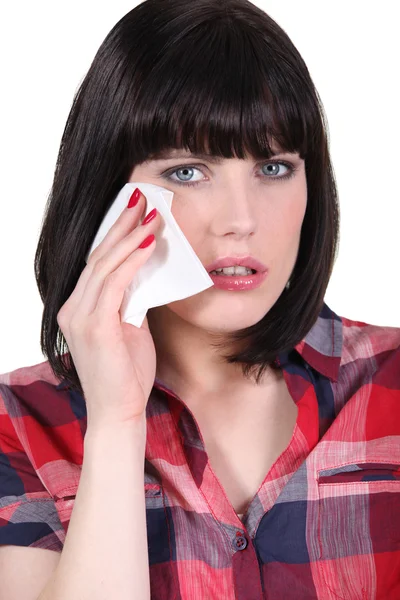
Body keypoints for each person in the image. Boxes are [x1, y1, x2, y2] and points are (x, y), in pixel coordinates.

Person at [0, 0, 399, 598]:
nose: (241, 221)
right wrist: (116, 422)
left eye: (274, 167)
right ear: (109, 192)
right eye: (188, 171)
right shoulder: (21, 422)